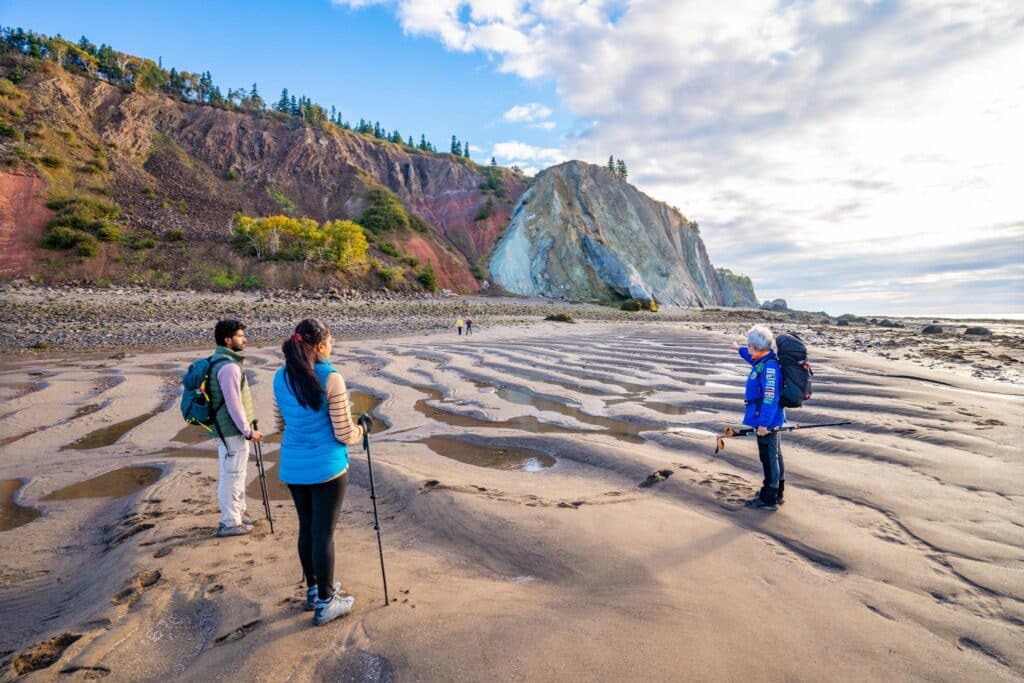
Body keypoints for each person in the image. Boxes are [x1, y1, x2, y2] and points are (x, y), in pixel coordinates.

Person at [272, 319, 370, 626]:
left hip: (293, 464)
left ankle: (315, 591)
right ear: (320, 346)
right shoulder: (331, 377)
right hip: (327, 467)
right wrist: (362, 429)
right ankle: (327, 602)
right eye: (330, 342)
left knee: (307, 527)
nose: (332, 346)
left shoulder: (279, 376)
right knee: (323, 533)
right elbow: (343, 433)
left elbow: (280, 424)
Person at [208, 319, 263, 537]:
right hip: (231, 431)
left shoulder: (219, 361)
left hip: (226, 430)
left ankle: (238, 514)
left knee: (235, 473)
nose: (244, 339)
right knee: (232, 475)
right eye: (240, 336)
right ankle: (230, 522)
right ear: (227, 340)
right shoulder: (229, 366)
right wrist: (247, 430)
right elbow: (233, 402)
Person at [737, 325, 785, 510]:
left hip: (768, 420)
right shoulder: (762, 359)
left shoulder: (770, 367)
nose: (748, 347)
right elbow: (750, 357)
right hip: (766, 418)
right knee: (774, 455)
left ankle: (769, 498)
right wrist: (738, 349)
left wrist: (764, 423)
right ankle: (777, 491)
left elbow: (770, 397)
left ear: (756, 346)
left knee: (769, 457)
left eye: (749, 344)